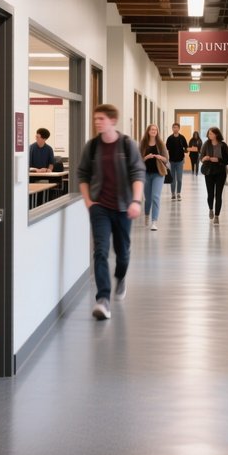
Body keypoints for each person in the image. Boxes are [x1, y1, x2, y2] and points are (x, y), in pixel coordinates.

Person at [77, 104, 145, 321]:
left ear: (113, 121)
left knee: (122, 253)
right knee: (100, 251)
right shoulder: (93, 146)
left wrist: (135, 200)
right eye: (96, 118)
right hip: (100, 207)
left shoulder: (127, 145)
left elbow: (137, 173)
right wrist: (88, 201)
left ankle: (121, 277)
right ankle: (103, 299)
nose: (97, 122)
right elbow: (83, 174)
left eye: (102, 119)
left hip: (124, 207)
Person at [139, 123, 169, 231]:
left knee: (155, 196)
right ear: (148, 131)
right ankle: (147, 215)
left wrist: (160, 157)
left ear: (157, 132)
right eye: (152, 130)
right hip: (146, 173)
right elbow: (137, 161)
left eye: (155, 130)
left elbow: (166, 159)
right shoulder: (143, 144)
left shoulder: (161, 144)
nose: (153, 131)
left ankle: (154, 221)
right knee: (148, 198)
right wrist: (146, 157)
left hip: (158, 173)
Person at [200, 126, 228, 225]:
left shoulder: (223, 145)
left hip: (220, 172)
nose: (209, 135)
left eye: (211, 134)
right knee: (210, 193)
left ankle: (217, 215)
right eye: (209, 134)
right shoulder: (206, 144)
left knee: (218, 194)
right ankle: (210, 209)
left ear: (216, 134)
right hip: (209, 171)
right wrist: (204, 158)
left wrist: (218, 160)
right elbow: (201, 157)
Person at [165, 122, 188, 200]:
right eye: (174, 127)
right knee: (172, 178)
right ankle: (173, 193)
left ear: (179, 128)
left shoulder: (182, 138)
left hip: (180, 161)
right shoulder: (169, 138)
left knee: (179, 178)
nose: (175, 129)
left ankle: (178, 193)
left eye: (177, 127)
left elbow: (186, 147)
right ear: (172, 128)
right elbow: (167, 148)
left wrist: (185, 150)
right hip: (171, 161)